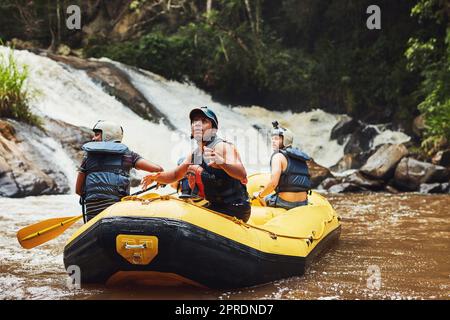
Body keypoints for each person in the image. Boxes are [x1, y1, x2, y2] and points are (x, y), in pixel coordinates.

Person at [142, 107, 251, 222]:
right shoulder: (197, 153)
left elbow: (242, 174)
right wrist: (156, 177)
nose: (198, 125)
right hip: (215, 206)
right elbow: (175, 174)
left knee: (194, 170)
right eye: (195, 121)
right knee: (190, 169)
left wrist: (222, 162)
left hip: (235, 208)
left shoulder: (222, 147)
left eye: (204, 121)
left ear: (213, 129)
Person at [76, 120, 163, 222]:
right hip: (117, 213)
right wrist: (161, 179)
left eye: (97, 134)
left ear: (107, 136)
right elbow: (158, 169)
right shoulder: (128, 155)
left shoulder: (88, 157)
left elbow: (78, 190)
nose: (93, 138)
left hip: (93, 214)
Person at [253, 121, 312, 210]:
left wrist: (260, 195)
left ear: (285, 140)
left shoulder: (278, 156)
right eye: (272, 138)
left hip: (285, 203)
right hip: (303, 203)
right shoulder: (300, 157)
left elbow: (273, 183)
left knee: (260, 197)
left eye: (277, 139)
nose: (273, 141)